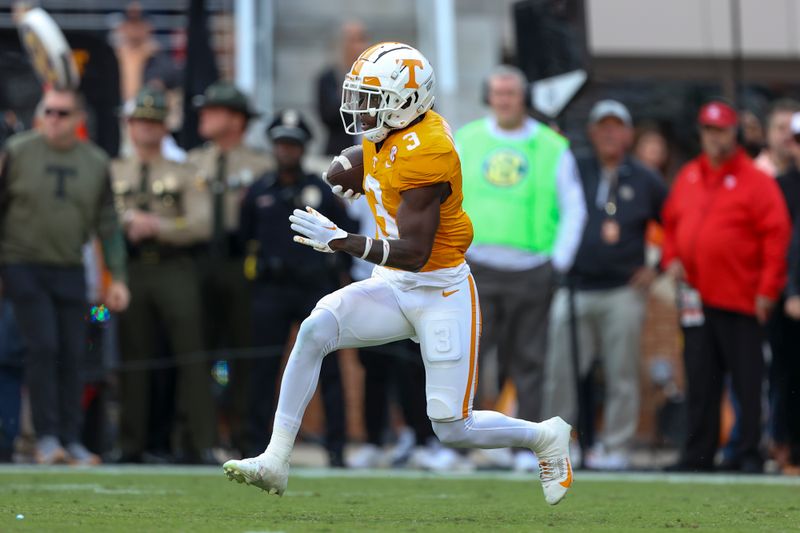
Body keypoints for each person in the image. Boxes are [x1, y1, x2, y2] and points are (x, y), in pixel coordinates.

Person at [224, 42, 573, 505]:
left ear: (406, 102)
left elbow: (413, 251)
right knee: (315, 329)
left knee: (452, 426)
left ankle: (545, 437)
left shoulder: (430, 150)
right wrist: (355, 164)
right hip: (395, 286)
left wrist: (341, 240)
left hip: (439, 290)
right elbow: (378, 149)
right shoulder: (398, 125)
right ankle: (276, 458)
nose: (360, 111)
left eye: (371, 100)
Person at [453, 64, 586, 472]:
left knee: (529, 362)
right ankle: (466, 445)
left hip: (532, 269)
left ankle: (524, 446)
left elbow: (574, 207)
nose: (505, 100)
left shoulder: (551, 145)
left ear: (523, 97)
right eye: (498, 93)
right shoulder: (466, 139)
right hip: (478, 267)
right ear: (488, 96)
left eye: (512, 93)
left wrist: (557, 262)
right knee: (470, 359)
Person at [0, 87, 130, 465]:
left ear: (79, 120)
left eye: (63, 113)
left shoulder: (94, 161)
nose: (54, 119)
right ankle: (46, 437)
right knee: (43, 347)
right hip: (22, 263)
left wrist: (117, 277)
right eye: (49, 111)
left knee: (74, 353)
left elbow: (108, 223)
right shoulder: (19, 151)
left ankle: (70, 438)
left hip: (71, 266)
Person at [662, 100, 791, 473]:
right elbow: (671, 223)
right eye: (708, 129)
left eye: (720, 130)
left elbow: (776, 237)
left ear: (733, 133)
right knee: (700, 379)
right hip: (695, 296)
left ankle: (748, 452)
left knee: (748, 381)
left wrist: (768, 289)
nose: (713, 137)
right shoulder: (688, 176)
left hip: (741, 297)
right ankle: (698, 454)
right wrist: (672, 256)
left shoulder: (756, 181)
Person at [542, 100, 667, 470]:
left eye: (617, 126)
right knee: (560, 371)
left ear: (628, 134)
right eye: (602, 126)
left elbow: (674, 221)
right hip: (574, 285)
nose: (610, 133)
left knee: (622, 372)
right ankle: (556, 444)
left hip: (622, 289)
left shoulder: (645, 178)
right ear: (593, 132)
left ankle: (616, 447)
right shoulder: (574, 166)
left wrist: (655, 265)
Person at [237, 109, 350, 465]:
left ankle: (336, 447)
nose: (287, 151)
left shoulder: (321, 192)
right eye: (281, 144)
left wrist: (336, 281)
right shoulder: (259, 192)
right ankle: (256, 444)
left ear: (303, 149)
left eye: (293, 145)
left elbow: (343, 239)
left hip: (314, 287)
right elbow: (243, 239)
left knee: (328, 368)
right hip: (270, 289)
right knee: (262, 368)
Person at [111, 86, 214, 464]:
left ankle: (199, 441)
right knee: (132, 356)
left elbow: (201, 223)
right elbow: (100, 218)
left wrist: (158, 225)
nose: (147, 129)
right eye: (140, 121)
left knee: (191, 351)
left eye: (154, 122)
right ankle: (130, 443)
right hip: (129, 269)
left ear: (164, 127)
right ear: (129, 124)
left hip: (175, 266)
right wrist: (126, 222)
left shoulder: (183, 170)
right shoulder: (114, 169)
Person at [188, 81, 274, 456]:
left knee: (244, 353)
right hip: (197, 262)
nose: (203, 116)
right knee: (196, 352)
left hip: (242, 264)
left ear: (235, 120)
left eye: (213, 110)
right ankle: (197, 440)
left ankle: (245, 438)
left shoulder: (261, 166)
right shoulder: (191, 163)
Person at [769, 112, 800, 474]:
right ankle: (787, 447)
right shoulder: (779, 185)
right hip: (789, 299)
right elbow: (786, 245)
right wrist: (790, 290)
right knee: (787, 374)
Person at [316, 20, 369, 155]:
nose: (359, 46)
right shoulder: (328, 78)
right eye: (352, 40)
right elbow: (327, 116)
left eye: (361, 39)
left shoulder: (377, 75)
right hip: (340, 150)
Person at [754, 99, 800, 178]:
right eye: (781, 128)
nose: (789, 134)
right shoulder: (756, 172)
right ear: (766, 133)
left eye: (793, 128)